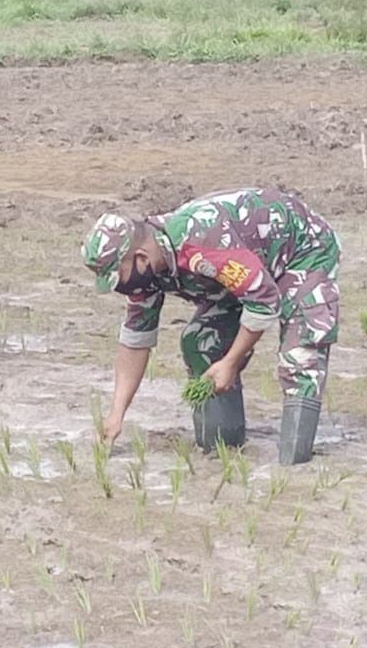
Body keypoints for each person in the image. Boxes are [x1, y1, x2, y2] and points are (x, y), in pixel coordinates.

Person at [81, 188, 340, 466]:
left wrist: (231, 362)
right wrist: (116, 415)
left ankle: (295, 462)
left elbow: (263, 300)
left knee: (299, 355)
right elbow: (136, 340)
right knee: (200, 341)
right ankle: (223, 447)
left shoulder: (201, 240)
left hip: (301, 250)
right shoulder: (146, 272)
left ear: (141, 258)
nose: (119, 287)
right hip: (241, 271)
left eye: (116, 277)